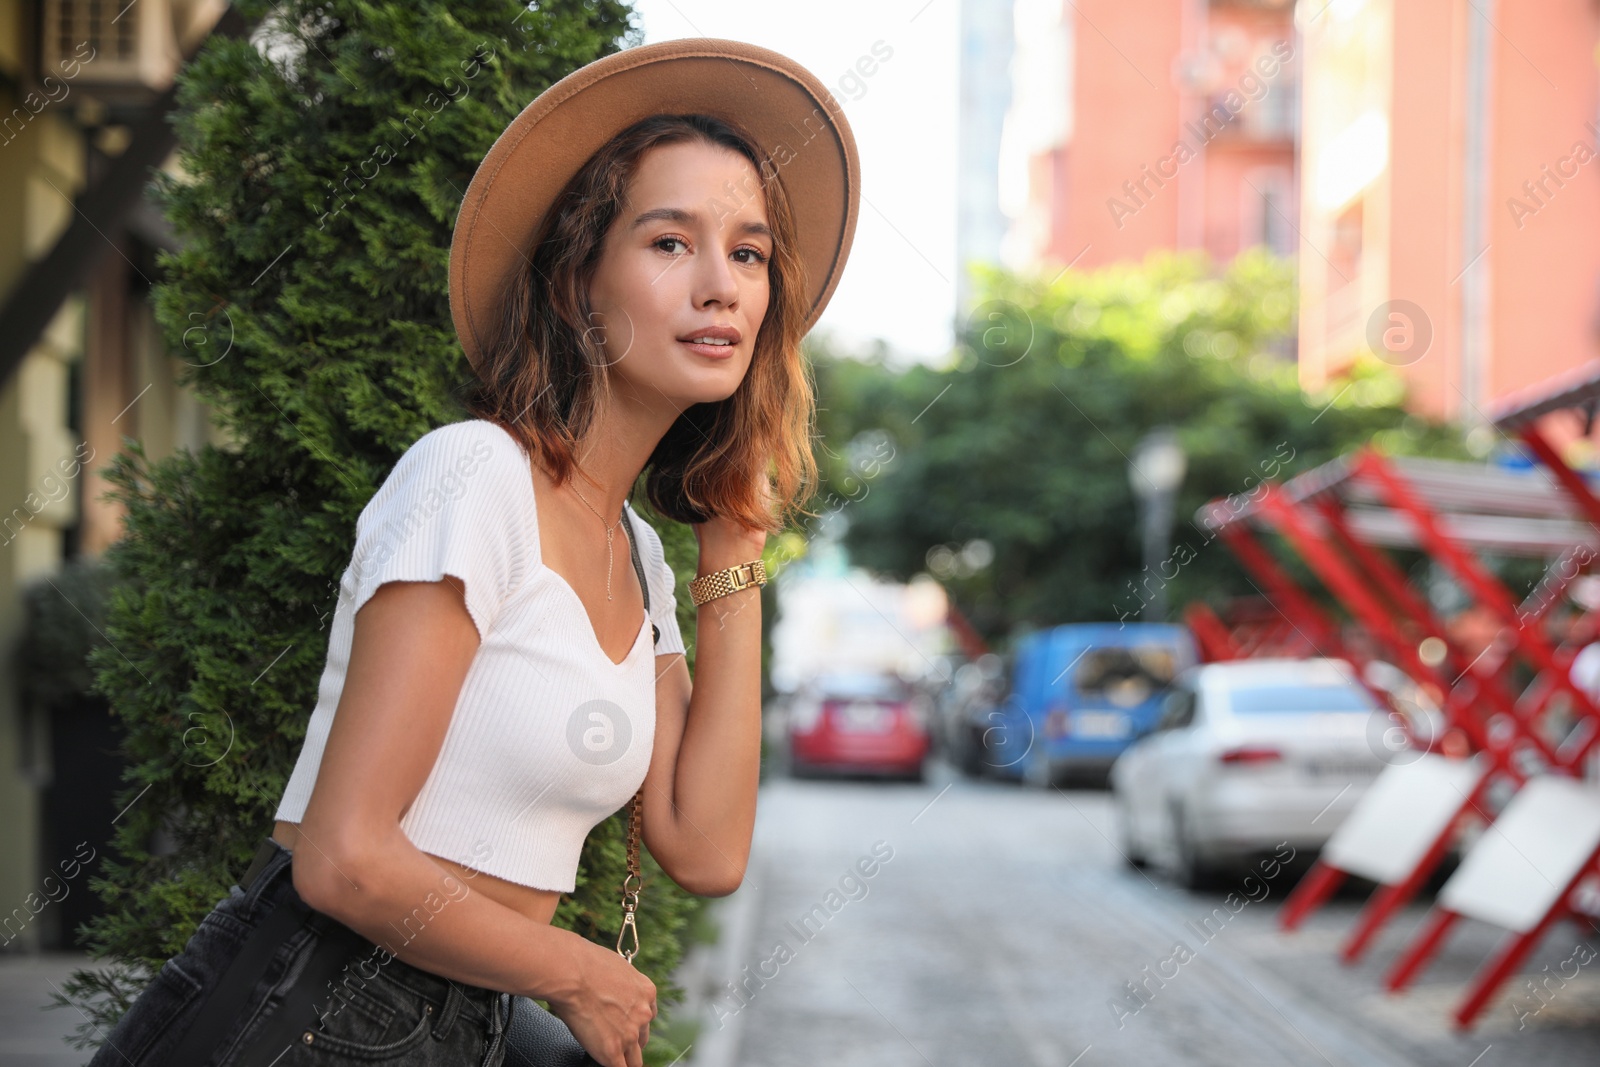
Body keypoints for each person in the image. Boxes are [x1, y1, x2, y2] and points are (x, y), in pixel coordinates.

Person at [86, 38, 859, 1067]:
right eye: (670, 242)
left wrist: (736, 546)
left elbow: (705, 845)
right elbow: (345, 858)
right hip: (309, 1005)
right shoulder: (472, 477)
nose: (720, 284)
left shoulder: (638, 551)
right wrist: (577, 969)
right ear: (578, 282)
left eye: (749, 253)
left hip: (465, 1022)